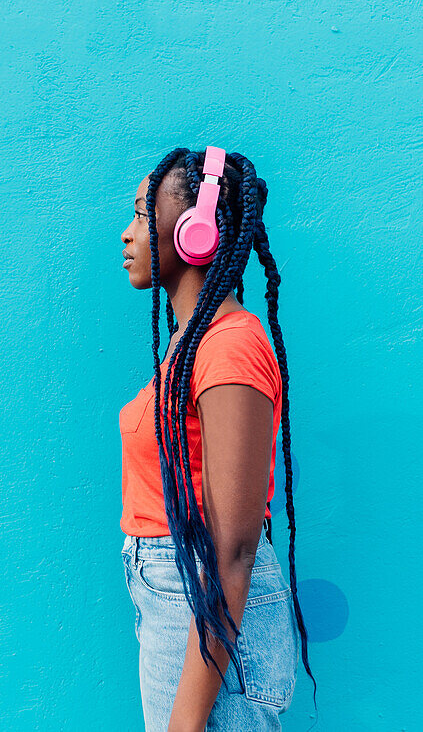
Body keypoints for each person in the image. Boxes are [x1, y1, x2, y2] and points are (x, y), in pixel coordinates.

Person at [118, 147, 317, 731]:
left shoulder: (229, 347)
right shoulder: (194, 343)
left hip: (205, 606)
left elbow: (232, 553)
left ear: (195, 230)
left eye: (140, 213)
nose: (127, 235)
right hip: (181, 600)